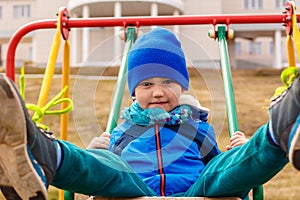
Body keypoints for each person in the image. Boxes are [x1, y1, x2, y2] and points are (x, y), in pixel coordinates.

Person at [0, 27, 299, 200]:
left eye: (168, 82)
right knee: (108, 167)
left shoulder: (197, 127)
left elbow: (218, 170)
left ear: (182, 87)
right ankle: (44, 156)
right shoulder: (125, 131)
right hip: (136, 192)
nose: (158, 92)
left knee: (225, 168)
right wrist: (95, 154)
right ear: (133, 92)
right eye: (146, 84)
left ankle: (280, 130)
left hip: (196, 193)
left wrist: (237, 154)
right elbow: (103, 173)